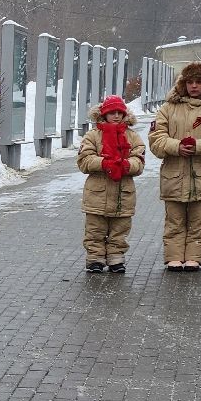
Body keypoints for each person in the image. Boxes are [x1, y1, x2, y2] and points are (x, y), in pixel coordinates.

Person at [146, 62, 201, 271]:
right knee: (174, 220)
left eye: (198, 82)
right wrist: (177, 147)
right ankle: (173, 256)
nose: (194, 86)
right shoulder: (167, 109)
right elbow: (156, 139)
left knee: (198, 222)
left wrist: (199, 146)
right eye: (190, 82)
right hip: (174, 176)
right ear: (183, 84)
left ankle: (194, 256)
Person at [77, 95, 143, 274]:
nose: (116, 116)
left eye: (119, 113)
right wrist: (104, 163)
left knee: (119, 230)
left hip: (123, 194)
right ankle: (95, 258)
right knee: (95, 230)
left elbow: (139, 160)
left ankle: (116, 258)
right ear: (103, 114)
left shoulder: (132, 136)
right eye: (111, 113)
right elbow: (84, 160)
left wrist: (126, 165)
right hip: (97, 194)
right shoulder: (92, 136)